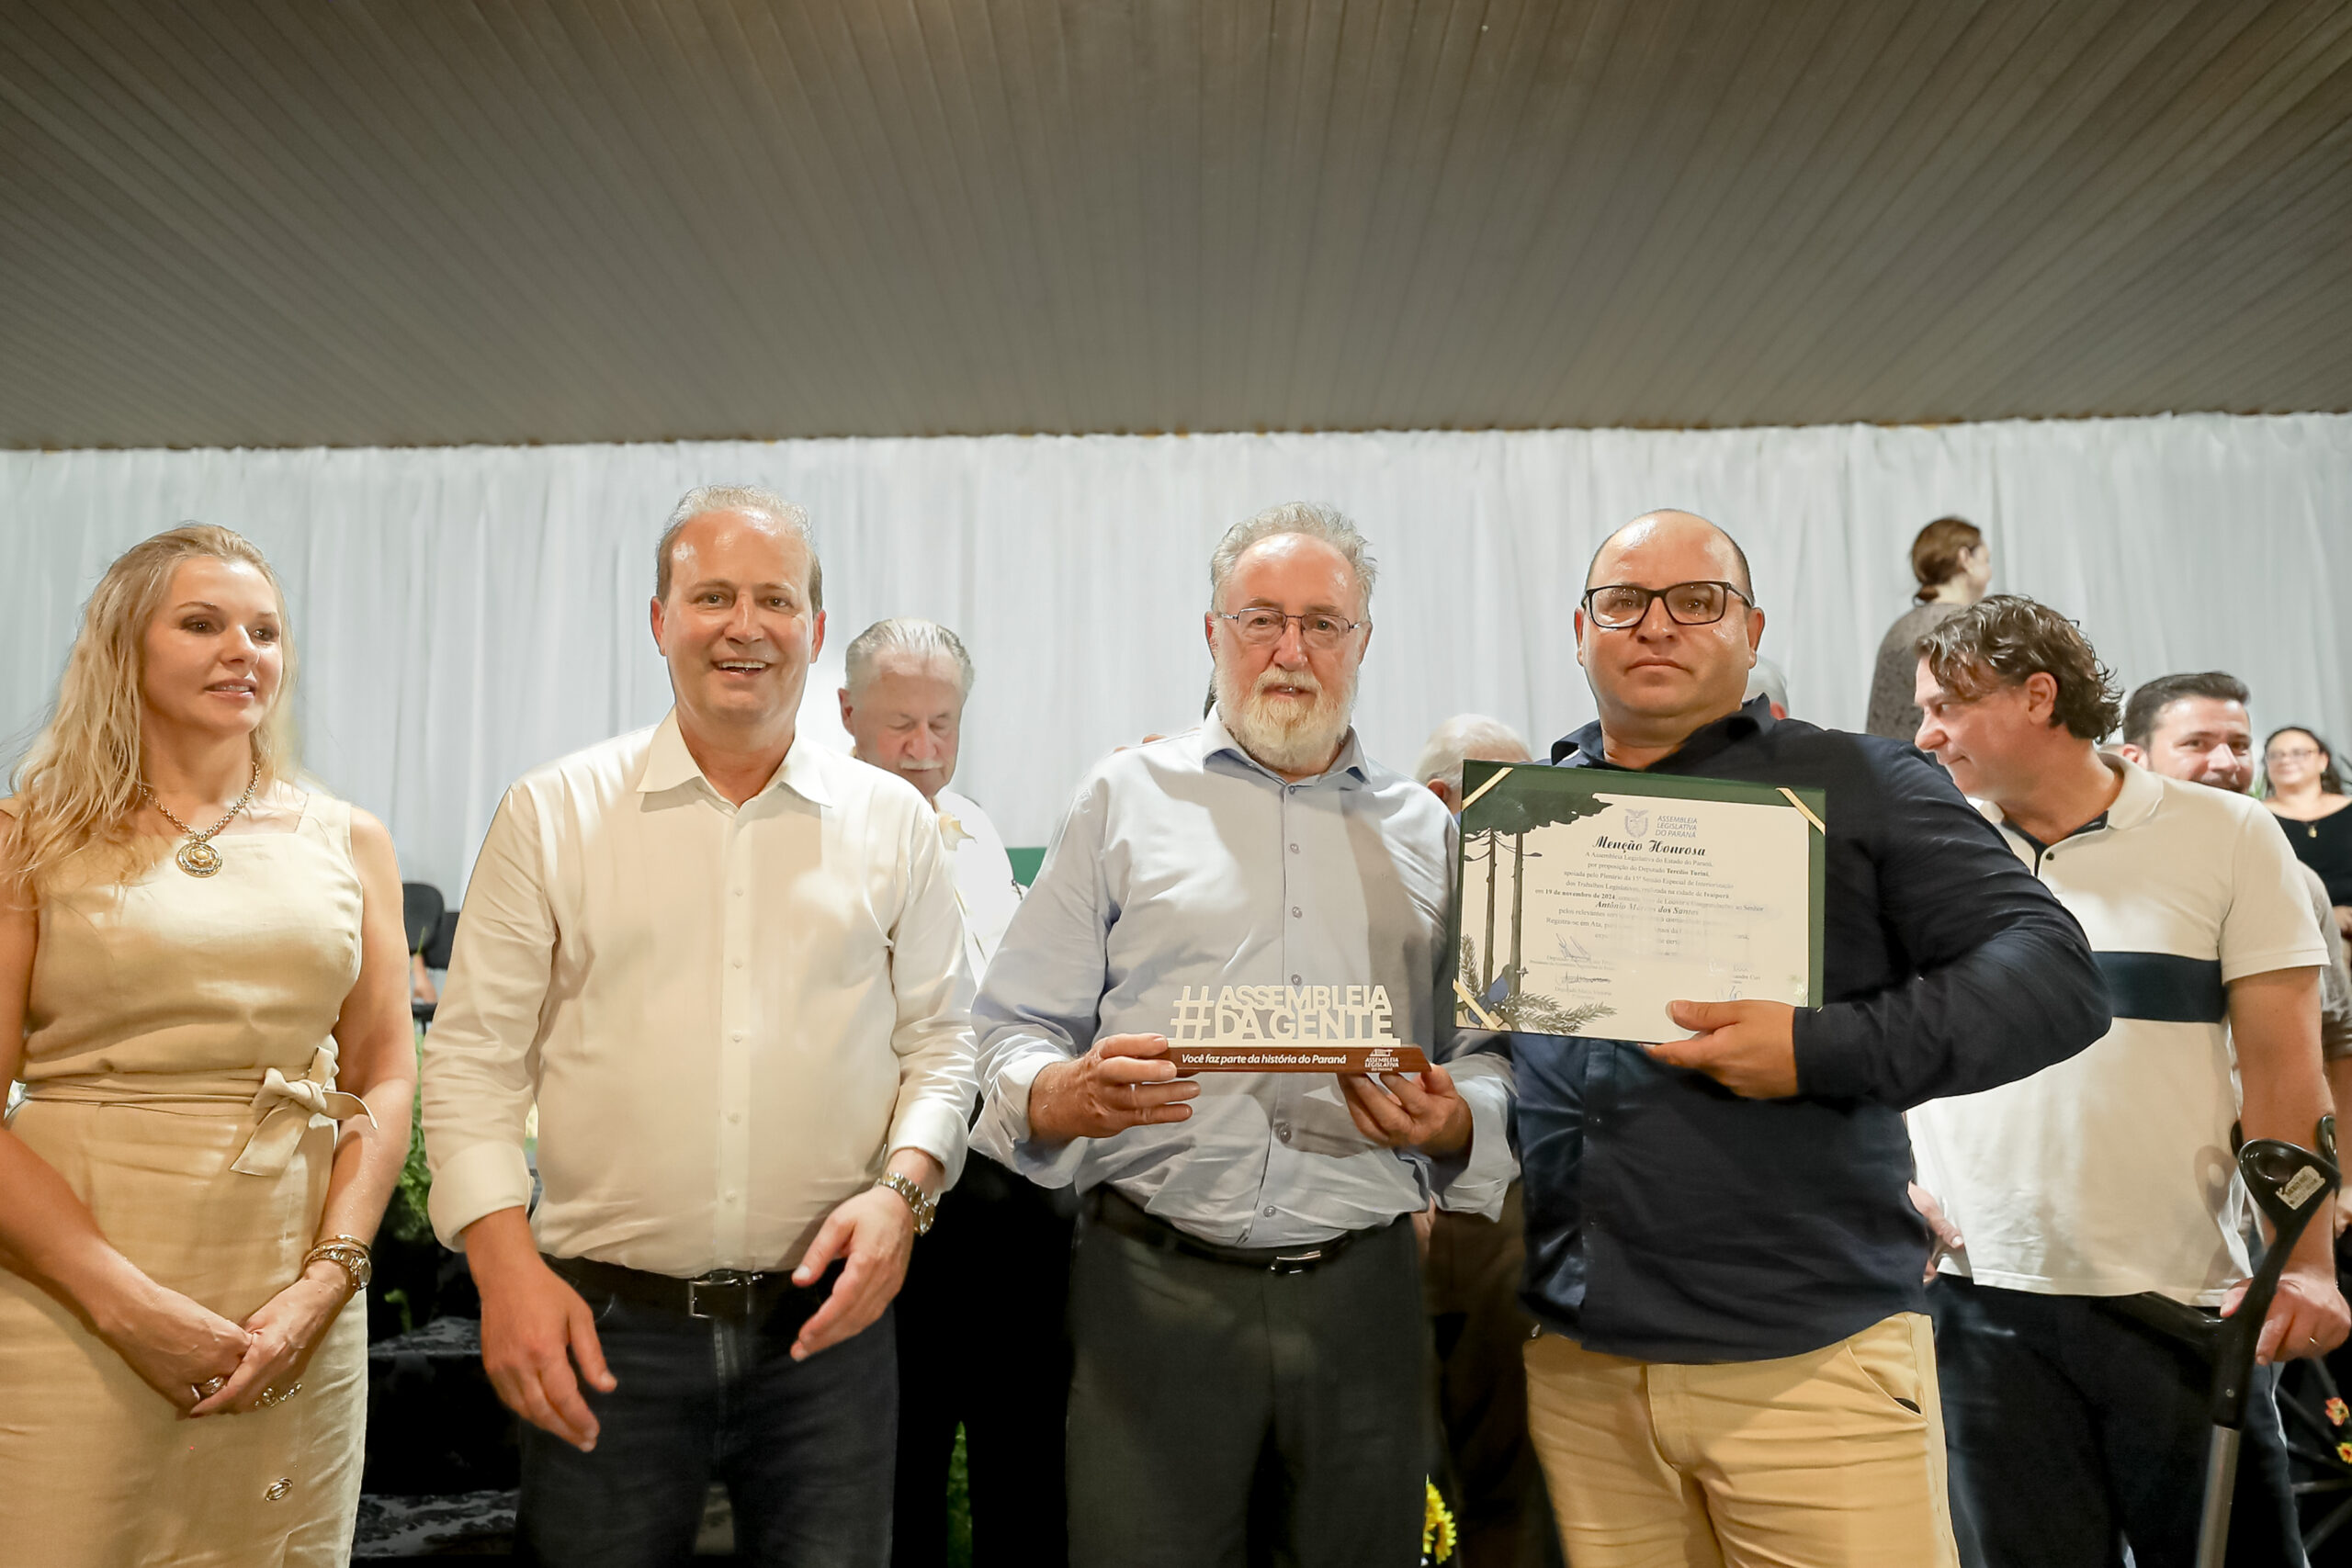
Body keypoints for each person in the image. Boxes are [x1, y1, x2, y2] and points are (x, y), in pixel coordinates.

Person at [1521, 511, 2107, 1568]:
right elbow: (1502, 1044)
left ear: (1750, 631)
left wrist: (1814, 1047)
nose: (1655, 625)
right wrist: (1457, 1113)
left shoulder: (1861, 781)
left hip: (1809, 1364)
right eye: (1623, 602)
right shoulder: (1537, 811)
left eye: (1696, 601)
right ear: (1579, 631)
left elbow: (2052, 977)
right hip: (1579, 1371)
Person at [421, 486, 976, 1567]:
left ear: (814, 629)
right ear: (659, 620)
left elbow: (944, 1045)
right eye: (712, 596)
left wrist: (903, 1195)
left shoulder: (894, 825)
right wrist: (503, 1271)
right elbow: (474, 1061)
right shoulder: (552, 812)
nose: (743, 626)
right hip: (600, 1327)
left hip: (828, 1330)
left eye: (775, 599)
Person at [972, 502, 1517, 1568]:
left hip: (1365, 1296)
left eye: (1323, 624)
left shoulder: (1435, 834)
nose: (1290, 650)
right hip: (1150, 1289)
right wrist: (1055, 1093)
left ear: (1363, 642)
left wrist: (1457, 1119)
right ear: (1212, 633)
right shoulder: (1120, 799)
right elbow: (1011, 1029)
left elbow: (1491, 1057)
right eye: (1261, 619)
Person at [0, 525, 414, 1567]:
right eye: (201, 623)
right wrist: (126, 1307)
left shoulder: (350, 839)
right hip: (75, 1292)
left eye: (265, 631)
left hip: (292, 1295)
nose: (244, 650)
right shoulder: (26, 837)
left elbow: (384, 1075)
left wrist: (328, 1281)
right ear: (123, 647)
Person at [1908, 608, 2348, 1567]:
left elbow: (2285, 1068)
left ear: (2038, 696)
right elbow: (1870, 1043)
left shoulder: (2229, 834)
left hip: (2183, 1298)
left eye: (1947, 707)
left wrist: (2308, 1263)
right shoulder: (1922, 842)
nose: (1926, 734)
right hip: (1980, 1299)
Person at [836, 616, 1064, 1568]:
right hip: (889, 1184)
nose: (924, 750)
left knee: (1027, 1458)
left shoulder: (973, 827)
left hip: (1007, 1186)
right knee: (903, 1464)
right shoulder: (822, 832)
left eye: (943, 724)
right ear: (847, 713)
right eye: (901, 725)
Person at [1414, 715, 1562, 1568]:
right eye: (1510, 797)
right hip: (1391, 1220)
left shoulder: (1537, 903)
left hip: (1502, 1218)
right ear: (1442, 799)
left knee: (1509, 1482)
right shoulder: (1386, 889)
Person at [2119, 673, 2352, 1105]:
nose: (2227, 763)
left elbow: (2338, 1033)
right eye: (2196, 744)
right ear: (2136, 759)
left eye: (2240, 746)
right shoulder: (2105, 880)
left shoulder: (2298, 881)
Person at [1865, 516, 1989, 739]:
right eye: (1986, 560)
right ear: (1965, 559)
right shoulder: (1968, 628)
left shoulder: (1899, 629)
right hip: (1937, 759)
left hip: (1889, 758)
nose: (1989, 572)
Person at [2263, 726, 2352, 940]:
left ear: (2323, 761)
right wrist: (2327, 917)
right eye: (2276, 755)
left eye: (2299, 753)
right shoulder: (2255, 818)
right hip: (2298, 933)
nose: (2286, 760)